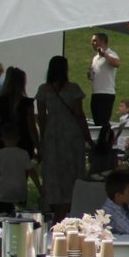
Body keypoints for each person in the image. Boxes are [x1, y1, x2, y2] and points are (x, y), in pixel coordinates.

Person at [35, 55, 89, 220]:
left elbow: (42, 117)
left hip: (53, 134)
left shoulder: (44, 89)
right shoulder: (73, 89)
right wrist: (87, 136)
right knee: (71, 171)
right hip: (71, 134)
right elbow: (79, 114)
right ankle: (69, 207)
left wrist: (43, 138)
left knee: (53, 172)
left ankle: (55, 207)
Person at [0, 66, 38, 159]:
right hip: (24, 142)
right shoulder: (27, 103)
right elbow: (32, 128)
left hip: (4, 141)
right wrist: (37, 146)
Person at [0, 125, 37, 216]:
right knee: (20, 216)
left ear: (2, 139)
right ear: (18, 138)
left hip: (4, 194)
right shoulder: (23, 153)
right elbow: (31, 171)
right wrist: (40, 188)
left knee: (4, 217)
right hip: (20, 192)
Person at [88, 32, 121, 129]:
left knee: (103, 122)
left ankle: (106, 140)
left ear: (102, 41)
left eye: (94, 41)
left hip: (106, 93)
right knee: (97, 121)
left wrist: (105, 55)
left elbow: (117, 63)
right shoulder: (95, 58)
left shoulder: (111, 54)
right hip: (96, 93)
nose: (92, 43)